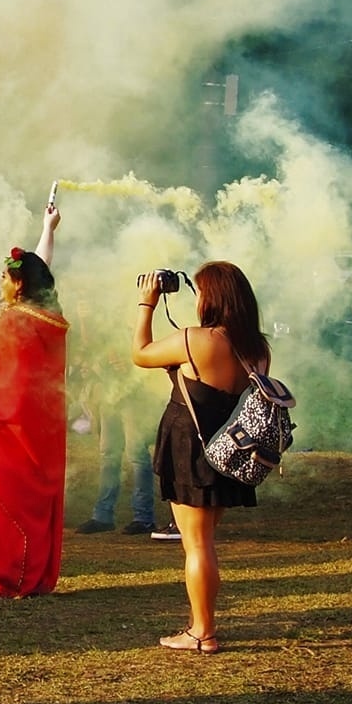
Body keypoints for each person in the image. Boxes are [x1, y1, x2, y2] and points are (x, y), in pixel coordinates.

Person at [132, 261, 272, 652]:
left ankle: (203, 632)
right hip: (228, 450)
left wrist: (147, 304)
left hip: (190, 449)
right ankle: (201, 623)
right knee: (205, 540)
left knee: (196, 545)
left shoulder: (197, 339)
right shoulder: (257, 349)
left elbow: (140, 353)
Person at [0, 204, 70, 599]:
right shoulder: (49, 321)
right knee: (37, 503)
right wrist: (48, 228)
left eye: (5, 276)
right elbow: (40, 270)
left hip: (7, 428)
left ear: (17, 285)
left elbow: (0, 382)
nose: (1, 282)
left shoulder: (4, 325)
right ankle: (34, 576)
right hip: (44, 426)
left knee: (11, 504)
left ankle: (13, 577)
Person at [74, 361, 157, 538]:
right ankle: (103, 516)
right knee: (110, 455)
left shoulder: (124, 335)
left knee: (136, 455)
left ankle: (143, 518)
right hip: (108, 396)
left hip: (132, 396)